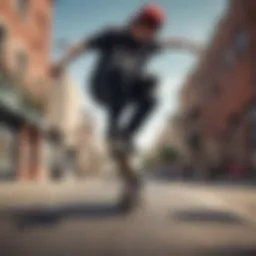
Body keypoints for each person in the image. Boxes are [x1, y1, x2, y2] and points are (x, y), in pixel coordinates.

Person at [51, 4, 202, 210]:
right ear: (135, 22)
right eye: (143, 26)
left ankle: (127, 138)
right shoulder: (114, 34)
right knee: (121, 68)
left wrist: (193, 47)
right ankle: (114, 131)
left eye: (152, 30)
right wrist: (62, 63)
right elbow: (83, 46)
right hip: (103, 86)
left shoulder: (150, 45)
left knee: (152, 88)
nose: (146, 33)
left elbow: (173, 43)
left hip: (128, 90)